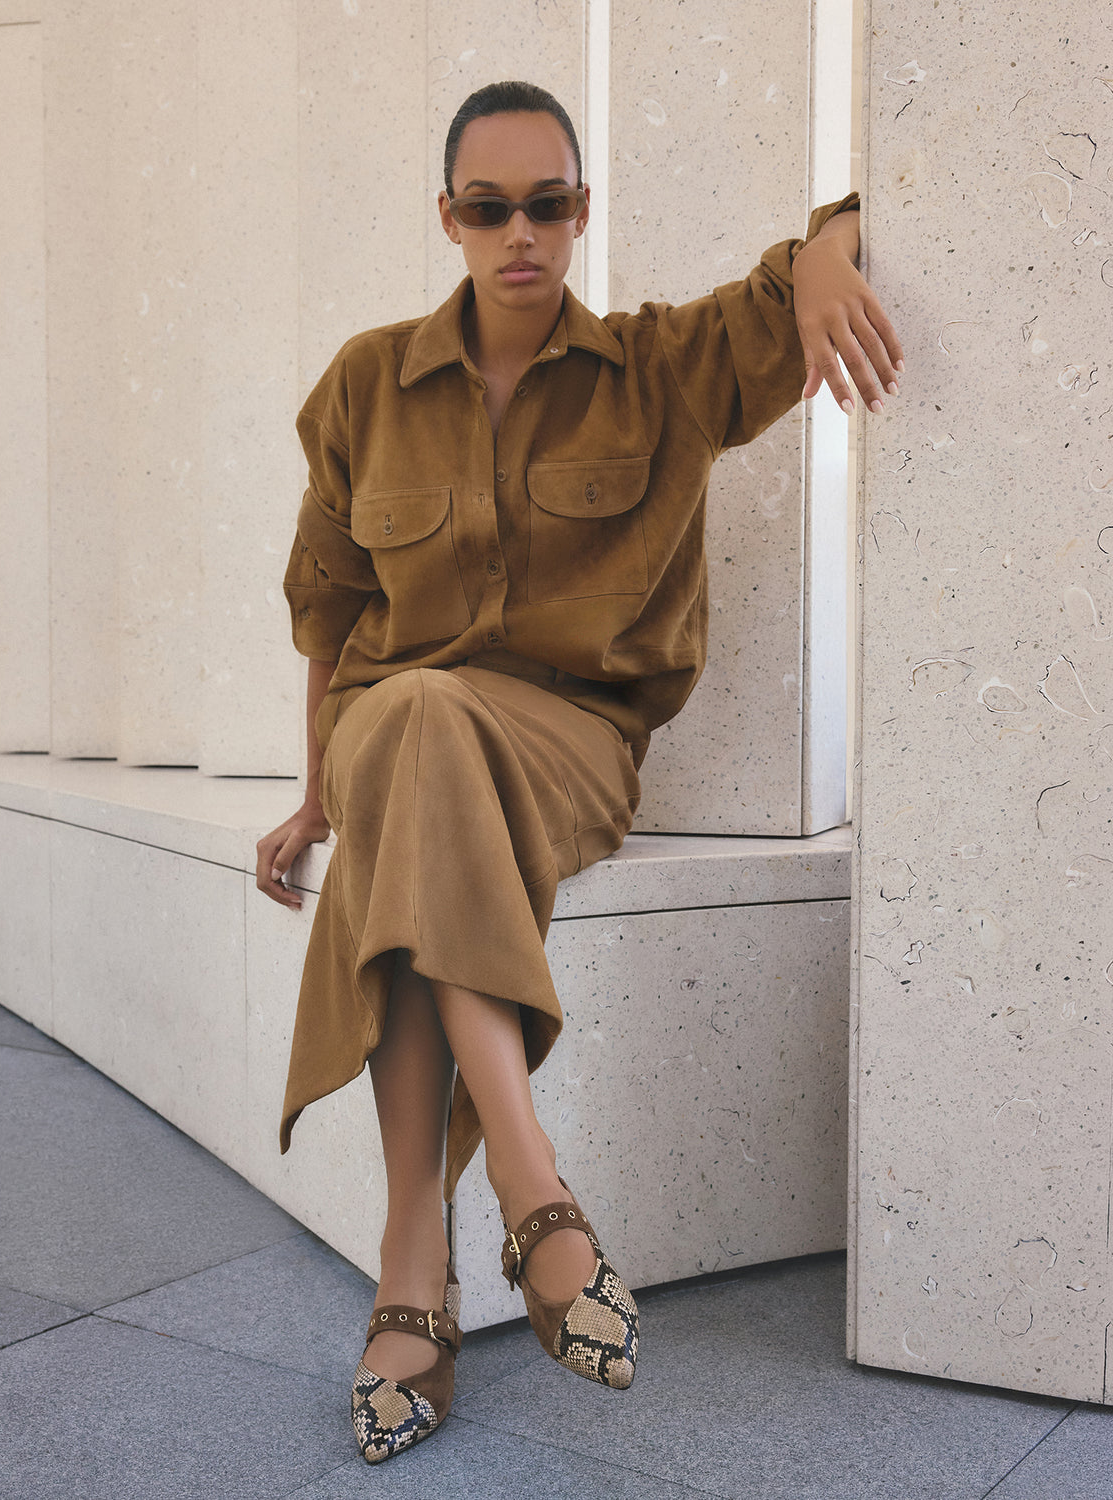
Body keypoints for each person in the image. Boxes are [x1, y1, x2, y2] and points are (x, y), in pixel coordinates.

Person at [255, 79, 902, 1464]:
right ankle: (536, 1198)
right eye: (487, 209)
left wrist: (831, 251)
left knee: (411, 802)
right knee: (411, 729)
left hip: (567, 747)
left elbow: (823, 252)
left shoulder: (661, 369)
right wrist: (314, 790)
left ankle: (412, 1262)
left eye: (547, 203)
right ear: (449, 219)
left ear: (582, 209)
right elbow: (326, 612)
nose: (519, 235)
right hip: (385, 726)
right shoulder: (365, 384)